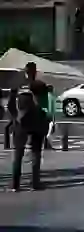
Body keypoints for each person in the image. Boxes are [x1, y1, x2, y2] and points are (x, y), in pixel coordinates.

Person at [10, 62, 52, 192]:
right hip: (37, 124)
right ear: (35, 71)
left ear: (25, 72)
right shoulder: (40, 85)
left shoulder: (16, 86)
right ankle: (35, 183)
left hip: (20, 124)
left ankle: (15, 185)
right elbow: (46, 105)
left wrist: (15, 118)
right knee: (36, 153)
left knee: (18, 154)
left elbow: (10, 105)